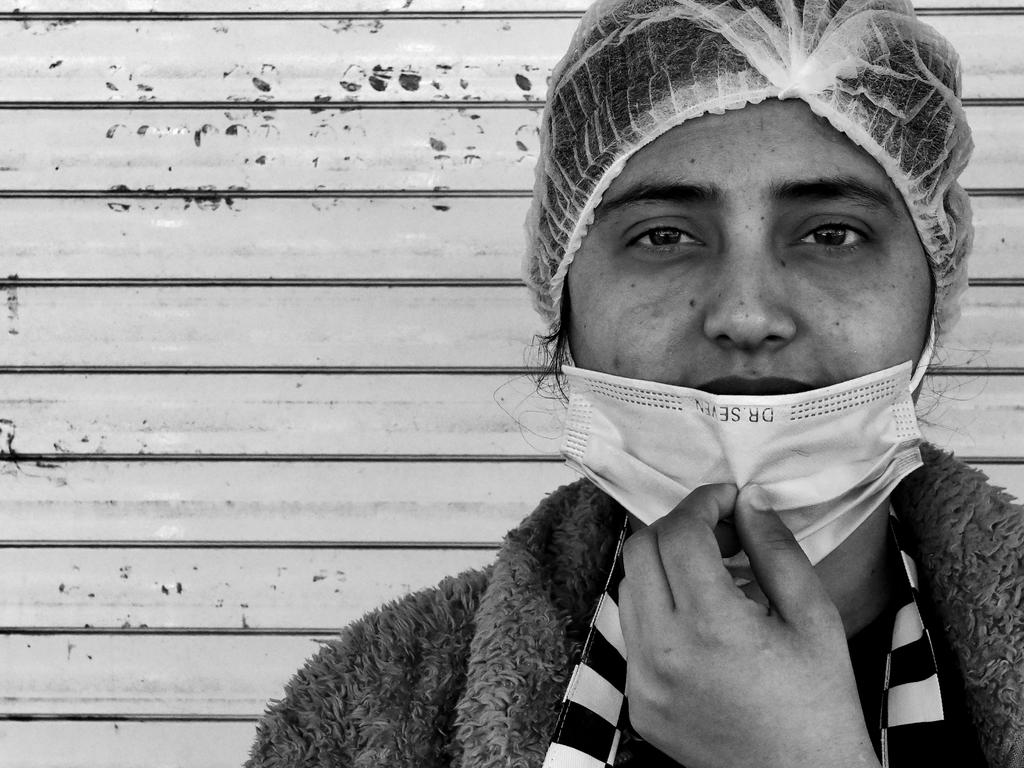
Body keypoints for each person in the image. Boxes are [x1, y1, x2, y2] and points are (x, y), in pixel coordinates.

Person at [246, 0, 1024, 766]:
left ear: (935, 287)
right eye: (662, 235)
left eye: (832, 234)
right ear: (563, 294)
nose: (747, 314)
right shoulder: (358, 722)